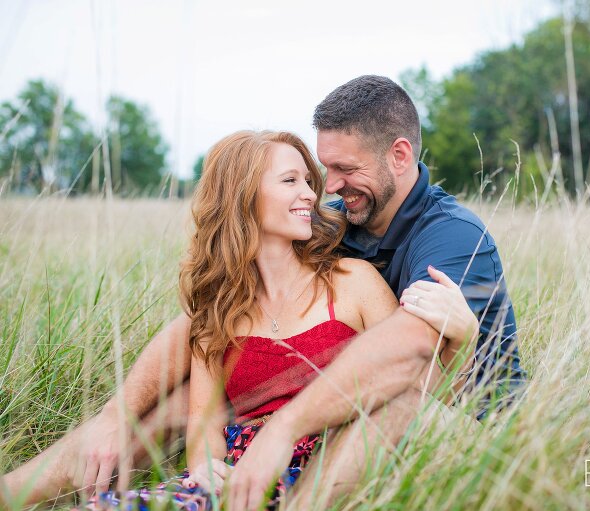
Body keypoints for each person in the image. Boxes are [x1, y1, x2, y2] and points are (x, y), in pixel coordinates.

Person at [1, 75, 524, 510]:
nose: (326, 188)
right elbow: (204, 320)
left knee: (390, 398)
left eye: (342, 170)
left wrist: (281, 429)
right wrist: (121, 416)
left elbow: (412, 358)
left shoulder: (450, 236)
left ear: (400, 154)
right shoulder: (334, 216)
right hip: (310, 405)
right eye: (319, 172)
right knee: (198, 363)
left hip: (457, 413)